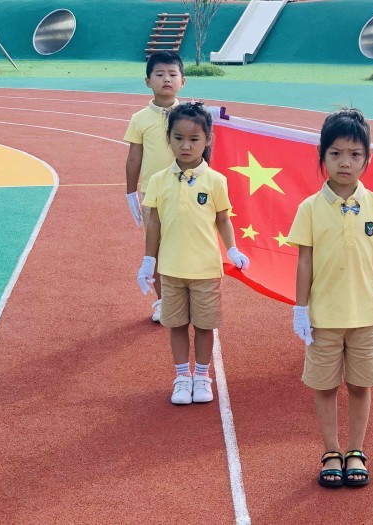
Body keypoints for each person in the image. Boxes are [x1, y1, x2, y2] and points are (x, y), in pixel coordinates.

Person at [288, 109, 373, 488]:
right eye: (336, 153)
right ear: (322, 157)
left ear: (368, 159)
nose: (346, 162)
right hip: (323, 318)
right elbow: (304, 261)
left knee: (360, 385)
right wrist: (300, 309)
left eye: (355, 154)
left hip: (365, 317)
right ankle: (330, 450)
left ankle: (355, 450)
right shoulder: (309, 208)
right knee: (325, 386)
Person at [136, 102, 250, 405]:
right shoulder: (159, 180)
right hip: (171, 270)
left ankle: (202, 376)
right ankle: (181, 377)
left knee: (203, 326)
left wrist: (233, 249)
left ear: (208, 140)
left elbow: (223, 219)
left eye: (194, 139)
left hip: (206, 271)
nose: (185, 145)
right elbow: (155, 224)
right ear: (169, 138)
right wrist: (149, 262)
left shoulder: (216, 181)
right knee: (175, 326)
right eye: (178, 138)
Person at [124, 50, 185, 323]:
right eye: (159, 74)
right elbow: (134, 157)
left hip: (188, 192)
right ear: (148, 80)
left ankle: (185, 299)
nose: (166, 80)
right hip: (154, 195)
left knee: (185, 247)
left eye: (172, 74)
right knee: (156, 250)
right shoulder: (140, 119)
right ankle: (163, 302)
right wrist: (130, 193)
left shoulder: (190, 114)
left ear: (183, 80)